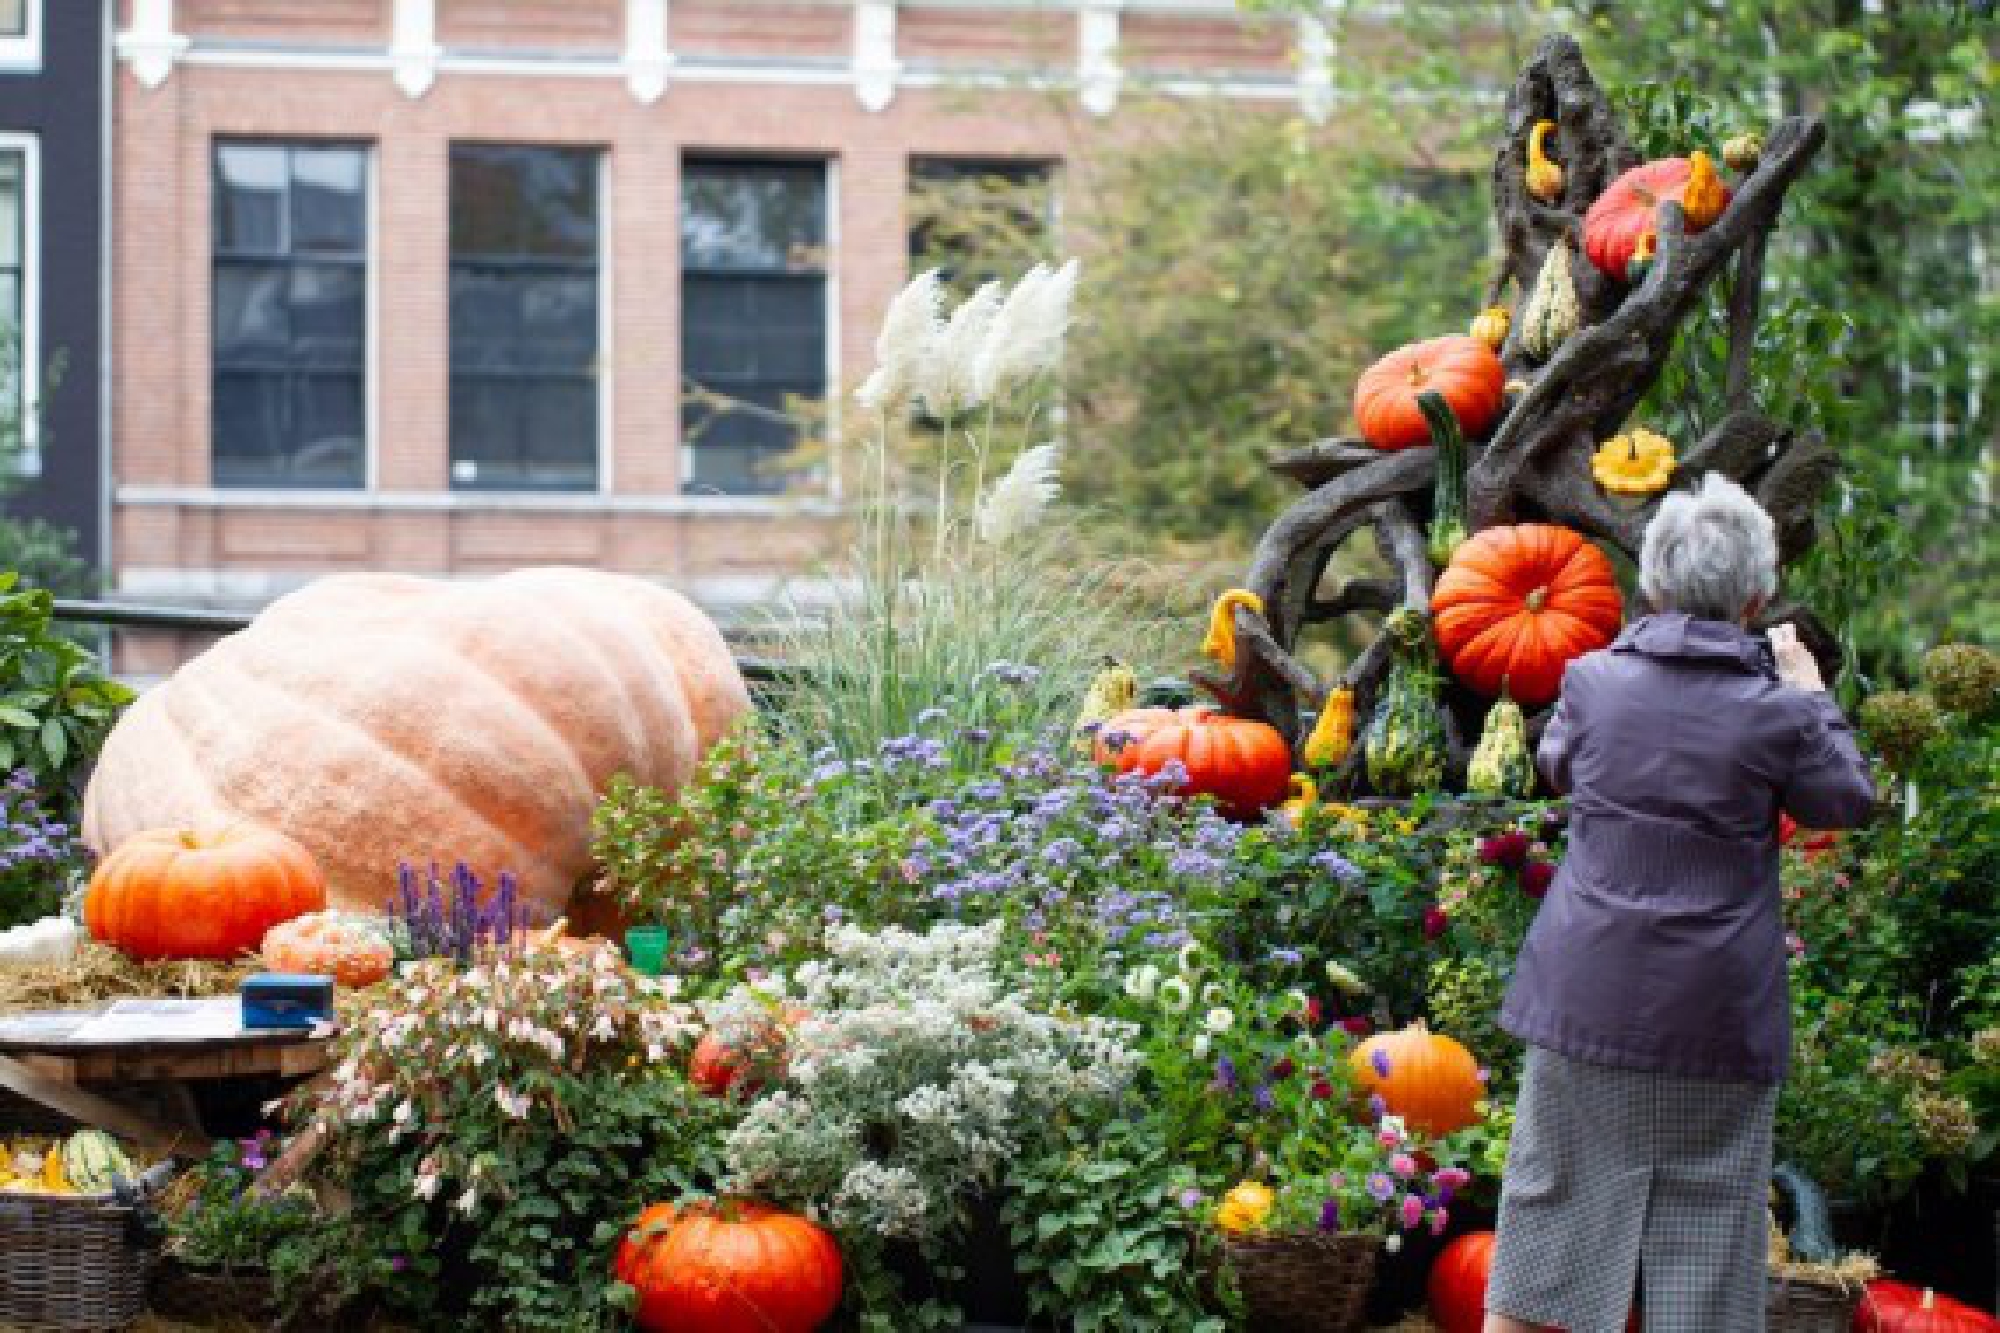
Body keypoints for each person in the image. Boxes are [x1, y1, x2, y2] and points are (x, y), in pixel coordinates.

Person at [1484, 473, 1876, 1333]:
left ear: (1652, 586)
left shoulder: (1591, 682)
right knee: (1709, 1234)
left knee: (1545, 1211)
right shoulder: (1778, 713)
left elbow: (1559, 765)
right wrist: (1810, 687)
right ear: (1758, 595)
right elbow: (1845, 799)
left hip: (1585, 997)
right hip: (1716, 1013)